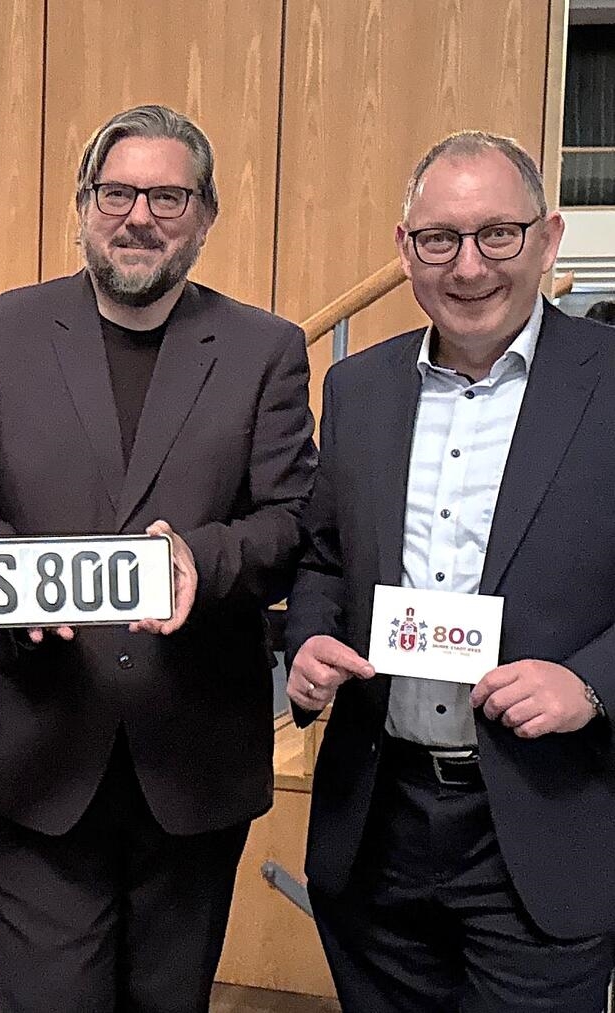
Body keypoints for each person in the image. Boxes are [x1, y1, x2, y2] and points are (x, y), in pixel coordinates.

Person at [0, 104, 317, 1013]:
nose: (139, 214)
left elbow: (293, 519)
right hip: (34, 758)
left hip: (193, 768)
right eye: (118, 191)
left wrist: (206, 558)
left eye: (168, 196)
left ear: (206, 214)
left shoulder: (265, 350)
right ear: (84, 203)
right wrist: (10, 583)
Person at [285, 131, 615, 1011]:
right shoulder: (357, 389)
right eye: (439, 240)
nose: (468, 267)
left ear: (547, 239)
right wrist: (309, 637)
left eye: (498, 235)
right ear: (406, 250)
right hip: (377, 821)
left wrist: (591, 682)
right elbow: (323, 556)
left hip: (545, 825)